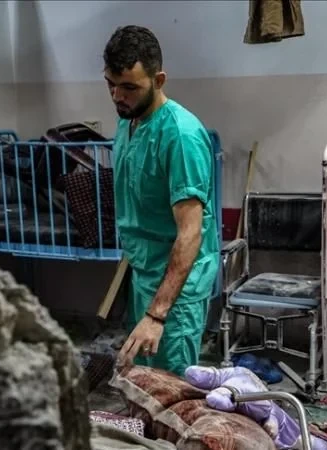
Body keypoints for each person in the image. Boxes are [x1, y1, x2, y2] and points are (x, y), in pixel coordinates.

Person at [104, 25, 219, 377]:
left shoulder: (181, 136)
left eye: (129, 87)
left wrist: (157, 315)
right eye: (110, 84)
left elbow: (190, 233)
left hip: (176, 289)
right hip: (145, 273)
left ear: (159, 80)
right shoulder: (129, 122)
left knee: (172, 388)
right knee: (142, 381)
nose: (117, 96)